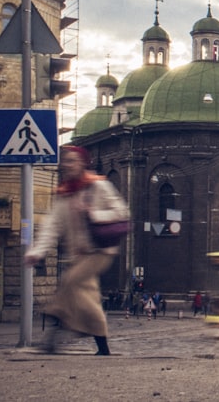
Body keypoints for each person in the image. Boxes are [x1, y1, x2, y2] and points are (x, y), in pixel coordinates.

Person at [23, 145, 129, 356]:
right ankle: (103, 348)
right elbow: (52, 226)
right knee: (88, 298)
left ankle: (54, 334)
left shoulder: (99, 186)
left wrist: (94, 213)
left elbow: (122, 212)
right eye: (65, 161)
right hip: (79, 255)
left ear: (82, 162)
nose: (67, 165)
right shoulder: (64, 194)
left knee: (69, 282)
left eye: (72, 161)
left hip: (101, 251)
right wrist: (38, 251)